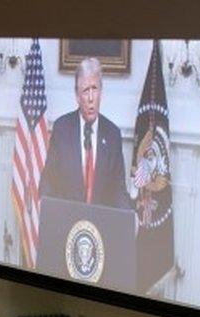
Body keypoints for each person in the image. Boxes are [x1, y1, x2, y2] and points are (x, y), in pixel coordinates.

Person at [39, 57, 131, 210]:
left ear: (101, 92)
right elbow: (48, 180)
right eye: (85, 91)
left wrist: (129, 216)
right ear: (77, 96)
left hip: (100, 226)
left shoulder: (113, 135)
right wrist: (44, 204)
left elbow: (118, 190)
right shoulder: (62, 129)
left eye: (94, 89)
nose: (90, 98)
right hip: (67, 222)